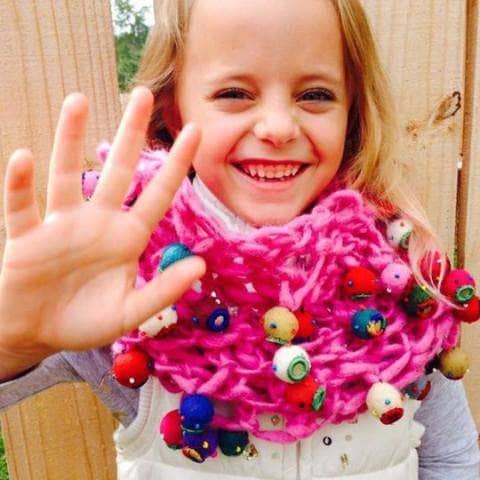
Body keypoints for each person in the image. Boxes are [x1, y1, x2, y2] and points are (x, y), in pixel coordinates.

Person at [0, 0, 479, 479]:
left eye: (315, 94)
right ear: (175, 106)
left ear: (352, 110)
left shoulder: (401, 288)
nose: (278, 127)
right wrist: (17, 339)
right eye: (234, 92)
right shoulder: (129, 284)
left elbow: (452, 460)